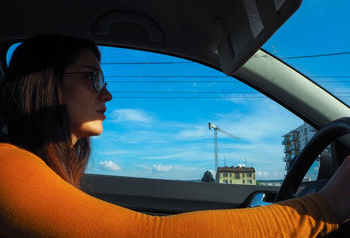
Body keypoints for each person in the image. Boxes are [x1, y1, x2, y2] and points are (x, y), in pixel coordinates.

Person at [0, 35, 346, 238]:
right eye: (93, 78)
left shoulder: (34, 169)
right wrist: (325, 206)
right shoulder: (6, 166)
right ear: (46, 85)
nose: (107, 94)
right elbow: (149, 234)